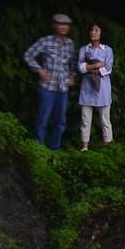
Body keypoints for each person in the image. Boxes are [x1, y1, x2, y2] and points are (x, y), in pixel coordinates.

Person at [23, 13, 81, 150]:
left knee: (60, 122)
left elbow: (73, 62)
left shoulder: (70, 44)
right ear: (55, 25)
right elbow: (28, 54)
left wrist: (72, 75)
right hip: (47, 86)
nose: (63, 27)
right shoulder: (46, 41)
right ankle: (39, 150)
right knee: (43, 120)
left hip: (63, 88)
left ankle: (55, 150)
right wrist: (39, 69)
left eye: (66, 25)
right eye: (60, 24)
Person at [76, 23, 117, 146]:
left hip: (103, 88)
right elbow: (80, 67)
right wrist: (95, 66)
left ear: (101, 33)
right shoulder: (84, 49)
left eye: (96, 30)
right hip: (87, 88)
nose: (93, 32)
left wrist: (89, 68)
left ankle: (108, 146)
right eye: (91, 30)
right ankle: (85, 147)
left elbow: (108, 68)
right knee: (85, 119)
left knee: (105, 120)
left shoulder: (108, 50)